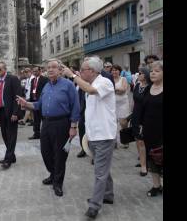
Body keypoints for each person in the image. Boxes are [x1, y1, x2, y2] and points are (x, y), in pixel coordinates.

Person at [62, 56, 117, 219]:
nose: (80, 71)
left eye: (83, 69)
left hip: (104, 135)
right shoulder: (91, 83)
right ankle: (108, 194)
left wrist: (72, 75)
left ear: (92, 71)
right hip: (93, 135)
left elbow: (91, 91)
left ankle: (95, 205)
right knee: (102, 167)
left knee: (99, 171)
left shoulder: (104, 82)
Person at [17, 59, 80, 197]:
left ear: (60, 70)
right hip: (46, 123)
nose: (50, 69)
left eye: (54, 67)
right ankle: (53, 174)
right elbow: (39, 104)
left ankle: (57, 182)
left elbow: (76, 107)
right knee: (46, 152)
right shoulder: (46, 86)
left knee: (60, 155)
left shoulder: (68, 85)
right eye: (48, 67)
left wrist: (73, 126)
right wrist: (26, 103)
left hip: (62, 123)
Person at [138, 60, 163, 197]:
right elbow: (143, 109)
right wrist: (140, 125)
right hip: (149, 130)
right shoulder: (148, 88)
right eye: (152, 70)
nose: (153, 73)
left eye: (157, 71)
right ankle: (156, 186)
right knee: (152, 158)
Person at [0, 61, 22, 169]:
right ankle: (11, 156)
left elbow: (18, 97)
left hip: (11, 112)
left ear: (5, 69)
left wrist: (15, 112)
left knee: (11, 135)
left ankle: (8, 159)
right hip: (1, 111)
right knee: (5, 135)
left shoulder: (12, 79)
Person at [131, 66, 151, 176]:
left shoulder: (150, 87)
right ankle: (142, 160)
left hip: (145, 116)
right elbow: (134, 101)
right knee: (137, 140)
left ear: (146, 75)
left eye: (141, 73)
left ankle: (145, 166)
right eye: (138, 73)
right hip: (135, 115)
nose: (138, 75)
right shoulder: (137, 85)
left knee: (142, 141)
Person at [111, 64, 131, 148]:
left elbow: (123, 90)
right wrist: (117, 90)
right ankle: (114, 142)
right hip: (112, 104)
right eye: (113, 70)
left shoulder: (123, 79)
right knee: (113, 123)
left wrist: (113, 90)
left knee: (123, 123)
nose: (114, 71)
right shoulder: (110, 79)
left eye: (116, 70)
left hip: (123, 104)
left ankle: (126, 140)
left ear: (119, 71)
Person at [28, 66, 49, 140]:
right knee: (36, 119)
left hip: (41, 102)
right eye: (33, 71)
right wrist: (30, 100)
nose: (34, 73)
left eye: (36, 71)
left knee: (43, 118)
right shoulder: (33, 80)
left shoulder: (45, 79)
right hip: (34, 101)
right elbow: (32, 90)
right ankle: (36, 133)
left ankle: (46, 133)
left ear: (40, 71)